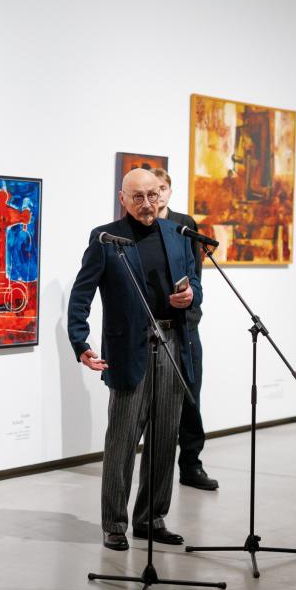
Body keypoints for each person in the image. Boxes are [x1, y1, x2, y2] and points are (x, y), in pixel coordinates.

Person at [68, 168, 202, 551]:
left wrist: (191, 296)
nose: (147, 204)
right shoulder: (106, 239)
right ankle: (114, 523)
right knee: (122, 440)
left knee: (164, 438)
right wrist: (80, 341)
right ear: (123, 199)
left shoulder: (177, 235)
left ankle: (151, 519)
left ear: (162, 195)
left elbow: (194, 281)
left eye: (153, 195)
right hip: (129, 348)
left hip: (171, 341)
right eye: (138, 196)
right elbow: (81, 295)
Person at [149, 167, 218, 491]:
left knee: (191, 396)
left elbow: (196, 277)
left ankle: (191, 464)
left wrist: (191, 305)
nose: (158, 194)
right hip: (154, 326)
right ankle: (157, 470)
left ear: (169, 190)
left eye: (162, 188)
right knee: (156, 403)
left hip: (186, 326)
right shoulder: (141, 226)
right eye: (153, 189)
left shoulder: (184, 225)